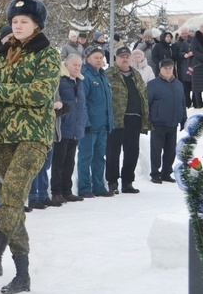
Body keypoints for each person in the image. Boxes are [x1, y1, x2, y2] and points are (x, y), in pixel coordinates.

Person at [0, 0, 60, 294]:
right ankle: (22, 274)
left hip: (33, 136)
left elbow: (40, 92)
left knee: (12, 192)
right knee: (9, 203)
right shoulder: (1, 54)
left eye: (24, 21)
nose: (18, 25)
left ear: (37, 24)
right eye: (14, 21)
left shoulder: (48, 54)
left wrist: (0, 88)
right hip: (2, 138)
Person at [105, 46, 150, 194]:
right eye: (121, 57)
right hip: (117, 118)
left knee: (132, 151)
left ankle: (127, 182)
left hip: (134, 118)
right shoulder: (109, 74)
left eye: (127, 56)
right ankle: (112, 182)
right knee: (113, 151)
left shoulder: (136, 75)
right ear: (116, 59)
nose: (125, 59)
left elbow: (143, 95)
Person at [76, 46, 114, 198]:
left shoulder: (103, 75)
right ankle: (85, 187)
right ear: (88, 59)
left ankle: (99, 186)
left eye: (101, 57)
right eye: (95, 57)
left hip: (103, 125)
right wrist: (86, 123)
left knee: (100, 157)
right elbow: (82, 101)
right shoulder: (85, 75)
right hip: (89, 126)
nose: (99, 60)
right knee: (86, 157)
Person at [50, 54, 86, 204]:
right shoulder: (60, 79)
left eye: (79, 65)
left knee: (70, 162)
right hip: (62, 126)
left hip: (75, 128)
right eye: (74, 65)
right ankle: (56, 191)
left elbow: (82, 105)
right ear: (66, 65)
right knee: (58, 161)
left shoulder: (79, 81)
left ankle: (67, 190)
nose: (77, 68)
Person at [147, 58, 187, 184]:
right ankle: (155, 173)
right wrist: (147, 120)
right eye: (165, 68)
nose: (168, 71)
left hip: (172, 123)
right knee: (156, 150)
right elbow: (147, 103)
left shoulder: (178, 84)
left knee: (170, 151)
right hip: (158, 123)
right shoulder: (153, 84)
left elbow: (182, 103)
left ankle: (166, 172)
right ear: (160, 69)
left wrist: (183, 119)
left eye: (170, 68)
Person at [175, 29, 194, 108]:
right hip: (182, 67)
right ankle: (187, 102)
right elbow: (178, 54)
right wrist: (184, 55)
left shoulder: (194, 41)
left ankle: (194, 102)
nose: (184, 35)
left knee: (193, 86)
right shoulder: (178, 43)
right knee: (184, 87)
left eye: (186, 33)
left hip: (193, 66)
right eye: (183, 33)